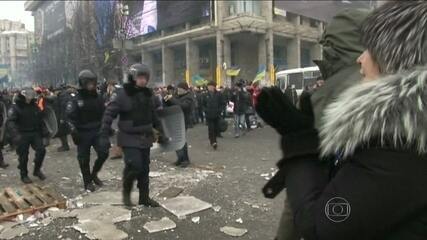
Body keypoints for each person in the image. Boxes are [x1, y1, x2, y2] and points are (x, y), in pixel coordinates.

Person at [257, 2, 427, 239]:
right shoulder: (401, 130)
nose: (360, 58)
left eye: (370, 48)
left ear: (396, 57)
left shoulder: (397, 144)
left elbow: (320, 227)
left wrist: (299, 139)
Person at [100, 63, 165, 207]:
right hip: (128, 137)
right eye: (140, 77)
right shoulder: (122, 94)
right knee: (135, 165)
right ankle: (126, 192)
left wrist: (162, 133)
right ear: (133, 77)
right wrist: (104, 134)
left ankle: (144, 197)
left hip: (145, 136)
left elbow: (154, 116)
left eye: (145, 78)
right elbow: (109, 113)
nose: (143, 81)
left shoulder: (148, 94)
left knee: (144, 169)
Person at [66, 70, 109, 192]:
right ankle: (87, 181)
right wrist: (73, 131)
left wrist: (107, 127)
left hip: (96, 130)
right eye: (88, 82)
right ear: (83, 83)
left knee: (104, 152)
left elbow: (104, 113)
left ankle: (94, 173)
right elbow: (70, 117)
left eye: (93, 82)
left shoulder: (98, 97)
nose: (91, 85)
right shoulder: (76, 99)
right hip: (82, 132)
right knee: (84, 159)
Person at [7, 88, 48, 183]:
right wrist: (15, 135)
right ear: (23, 95)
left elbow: (40, 120)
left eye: (31, 95)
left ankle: (37, 170)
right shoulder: (16, 107)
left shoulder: (35, 106)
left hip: (35, 132)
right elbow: (11, 122)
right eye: (28, 95)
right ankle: (24, 174)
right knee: (23, 156)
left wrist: (45, 132)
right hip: (22, 134)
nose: (30, 97)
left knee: (41, 150)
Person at [164, 82, 194, 168]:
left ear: (185, 90)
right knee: (176, 141)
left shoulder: (189, 97)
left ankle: (185, 159)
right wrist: (166, 98)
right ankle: (180, 158)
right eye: (178, 89)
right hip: (175, 121)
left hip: (183, 121)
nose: (178, 91)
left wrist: (172, 99)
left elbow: (182, 106)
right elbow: (169, 105)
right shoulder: (177, 96)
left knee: (181, 141)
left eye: (180, 89)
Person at [202, 81, 225, 150]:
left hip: (217, 114)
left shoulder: (219, 94)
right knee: (211, 128)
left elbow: (223, 103)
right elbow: (203, 104)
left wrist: (220, 110)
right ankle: (213, 141)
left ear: (214, 87)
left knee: (216, 128)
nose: (209, 88)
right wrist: (205, 110)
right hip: (209, 114)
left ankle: (214, 138)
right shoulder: (205, 94)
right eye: (208, 86)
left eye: (211, 86)